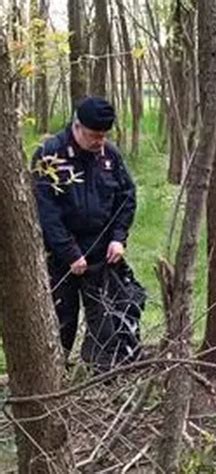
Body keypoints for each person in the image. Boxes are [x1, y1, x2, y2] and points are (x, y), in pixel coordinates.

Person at [32, 96, 141, 370]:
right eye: (94, 135)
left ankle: (101, 376)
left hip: (102, 253)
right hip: (62, 257)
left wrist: (118, 237)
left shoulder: (109, 155)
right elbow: (46, 212)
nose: (99, 141)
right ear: (77, 127)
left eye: (104, 135)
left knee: (105, 320)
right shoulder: (49, 155)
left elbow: (126, 196)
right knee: (60, 319)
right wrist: (69, 253)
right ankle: (55, 374)